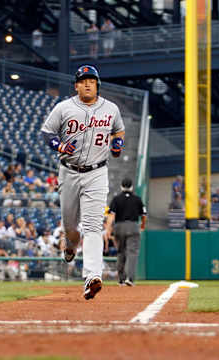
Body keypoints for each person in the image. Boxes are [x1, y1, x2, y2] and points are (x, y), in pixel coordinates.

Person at [40, 65, 125, 300]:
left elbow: (119, 131)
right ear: (76, 85)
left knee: (93, 226)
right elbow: (47, 132)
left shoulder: (111, 108)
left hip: (97, 173)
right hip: (69, 171)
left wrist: (118, 144)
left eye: (92, 80)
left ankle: (92, 277)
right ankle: (70, 243)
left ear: (97, 84)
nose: (88, 83)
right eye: (83, 80)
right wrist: (59, 146)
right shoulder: (64, 107)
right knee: (70, 225)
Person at [106, 178, 147, 286]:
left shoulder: (116, 199)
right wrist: (142, 226)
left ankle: (121, 279)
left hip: (119, 227)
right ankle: (130, 278)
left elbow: (112, 215)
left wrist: (108, 229)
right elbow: (143, 215)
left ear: (121, 186)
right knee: (132, 253)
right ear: (132, 187)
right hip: (133, 226)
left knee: (121, 252)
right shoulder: (137, 199)